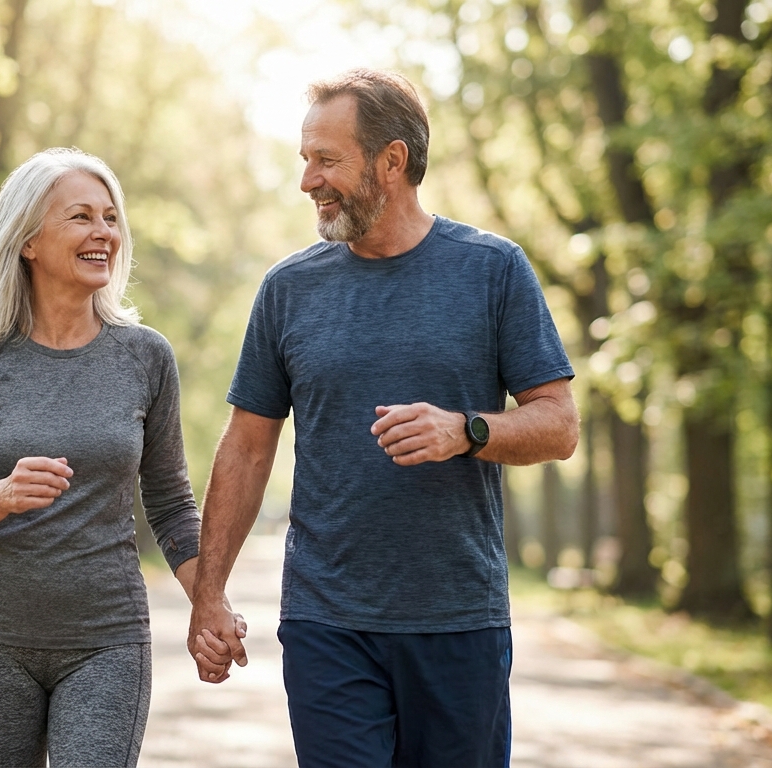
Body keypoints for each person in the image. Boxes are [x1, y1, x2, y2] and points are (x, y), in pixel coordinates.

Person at [186, 69, 579, 767]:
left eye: (326, 160)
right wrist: (208, 595)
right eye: (305, 160)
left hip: (458, 620)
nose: (308, 180)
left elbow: (558, 424)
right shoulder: (288, 290)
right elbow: (247, 449)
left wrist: (467, 431)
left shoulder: (492, 271)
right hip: (326, 621)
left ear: (391, 162)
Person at [0, 148, 232, 768]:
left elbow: (171, 506)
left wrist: (210, 604)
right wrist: (1, 495)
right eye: (81, 218)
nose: (103, 234)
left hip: (106, 640)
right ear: (28, 241)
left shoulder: (144, 357)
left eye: (111, 218)